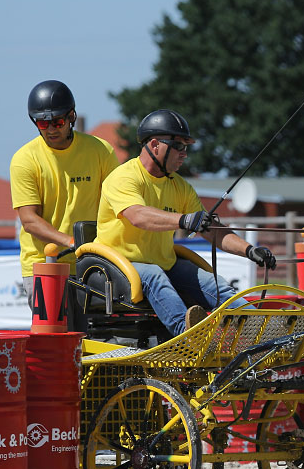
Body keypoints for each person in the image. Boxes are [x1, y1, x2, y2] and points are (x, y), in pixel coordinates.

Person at [96, 109, 275, 336]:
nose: (184, 154)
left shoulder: (181, 187)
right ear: (155, 145)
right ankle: (190, 337)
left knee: (214, 284)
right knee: (154, 275)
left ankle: (265, 332)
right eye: (179, 146)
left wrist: (249, 250)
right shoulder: (123, 177)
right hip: (118, 266)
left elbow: (211, 231)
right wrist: (185, 220)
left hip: (164, 264)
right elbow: (138, 216)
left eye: (186, 148)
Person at [10, 80, 119, 304]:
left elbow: (117, 204)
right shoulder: (24, 160)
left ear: (71, 117)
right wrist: (71, 241)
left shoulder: (101, 151)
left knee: (96, 326)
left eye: (57, 122)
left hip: (93, 262)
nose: (51, 129)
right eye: (42, 123)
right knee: (54, 328)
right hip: (44, 264)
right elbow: (29, 220)